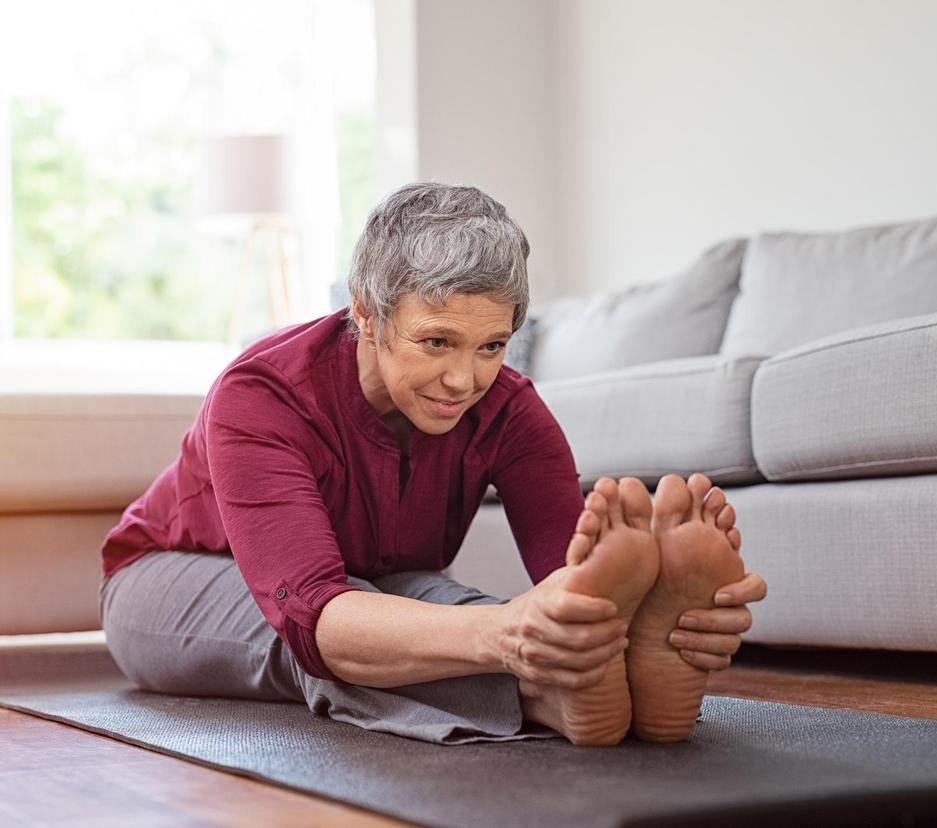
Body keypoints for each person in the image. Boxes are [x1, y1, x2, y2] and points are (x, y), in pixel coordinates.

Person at [99, 182, 767, 746]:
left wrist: (654, 620)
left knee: (446, 608)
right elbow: (314, 612)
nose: (463, 379)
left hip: (374, 583)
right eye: (437, 342)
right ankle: (541, 698)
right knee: (344, 639)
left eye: (491, 345)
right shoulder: (262, 395)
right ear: (366, 314)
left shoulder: (510, 408)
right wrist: (509, 634)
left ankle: (581, 682)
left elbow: (574, 582)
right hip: (177, 578)